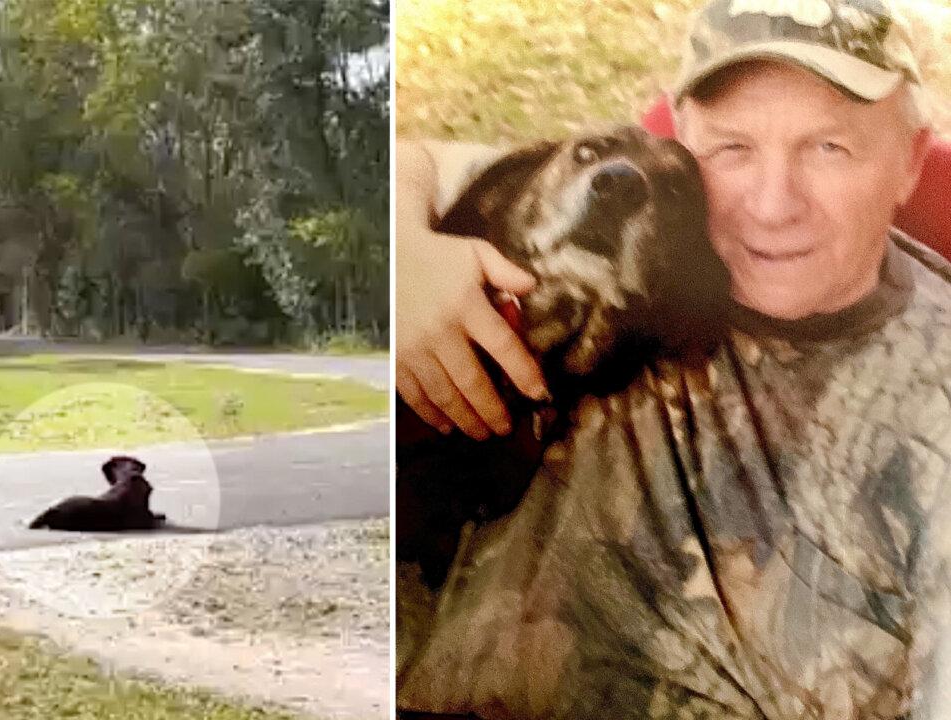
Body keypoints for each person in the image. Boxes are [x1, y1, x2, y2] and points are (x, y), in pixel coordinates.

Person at [395, 0, 951, 717]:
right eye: (733, 149)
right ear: (684, 140)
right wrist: (401, 252)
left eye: (829, 149)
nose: (774, 205)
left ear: (909, 165)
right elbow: (426, 162)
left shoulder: (929, 396)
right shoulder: (652, 245)